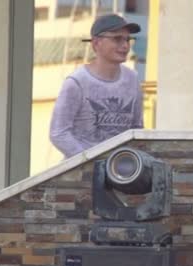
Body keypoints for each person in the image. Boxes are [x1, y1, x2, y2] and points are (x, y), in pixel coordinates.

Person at [50, 14, 144, 158]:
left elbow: (137, 129)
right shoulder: (76, 82)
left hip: (120, 173)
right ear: (96, 43)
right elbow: (58, 133)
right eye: (117, 39)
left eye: (127, 39)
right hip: (82, 175)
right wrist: (89, 160)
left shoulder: (133, 79)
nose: (125, 45)